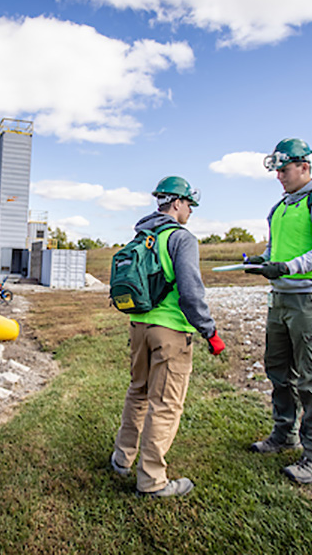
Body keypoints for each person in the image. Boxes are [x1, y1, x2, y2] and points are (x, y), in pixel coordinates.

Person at [245, 138, 312, 484]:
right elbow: (275, 248)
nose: (279, 176)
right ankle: (284, 434)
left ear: (304, 167)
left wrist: (287, 267)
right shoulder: (279, 208)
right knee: (279, 371)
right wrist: (263, 262)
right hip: (281, 299)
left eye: (284, 169)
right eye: (277, 170)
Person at [111, 176, 225, 498]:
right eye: (189, 204)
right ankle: (152, 482)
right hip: (170, 332)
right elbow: (191, 294)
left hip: (138, 326)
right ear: (176, 202)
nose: (190, 211)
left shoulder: (142, 235)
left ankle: (122, 459)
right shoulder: (181, 238)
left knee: (138, 393)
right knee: (165, 405)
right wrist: (210, 331)